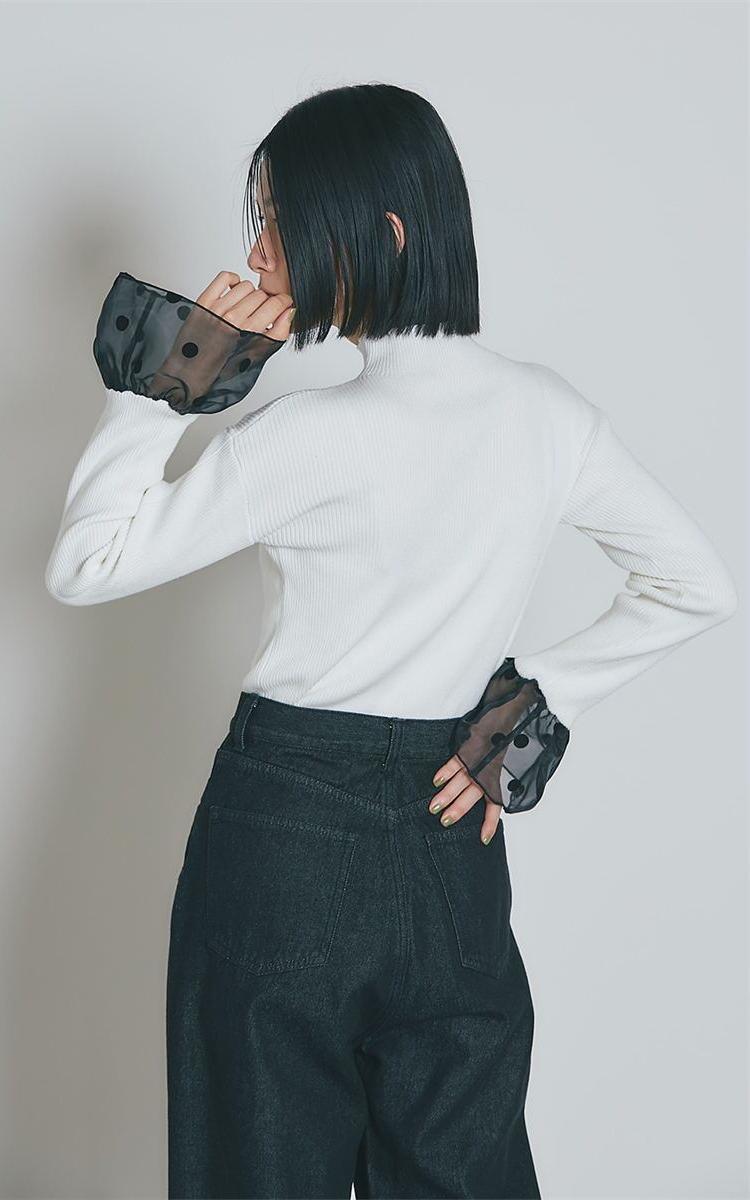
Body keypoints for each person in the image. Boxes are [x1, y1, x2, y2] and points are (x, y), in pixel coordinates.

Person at [44, 82, 738, 1200]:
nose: (260, 255)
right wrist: (539, 700)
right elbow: (696, 585)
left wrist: (168, 379)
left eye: (283, 223)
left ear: (386, 232)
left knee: (259, 1171)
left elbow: (87, 565)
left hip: (284, 834)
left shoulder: (308, 435)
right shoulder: (548, 416)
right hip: (450, 838)